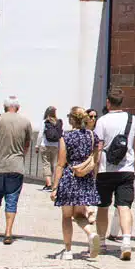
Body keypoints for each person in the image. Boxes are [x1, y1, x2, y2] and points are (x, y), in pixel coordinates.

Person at [93, 88, 135, 260]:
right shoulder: (132, 119)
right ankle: (126, 242)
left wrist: (94, 169)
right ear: (122, 102)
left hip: (106, 170)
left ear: (108, 102)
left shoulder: (102, 121)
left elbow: (98, 147)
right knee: (124, 206)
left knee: (102, 207)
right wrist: (134, 164)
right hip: (126, 170)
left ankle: (101, 242)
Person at [0, 95, 33, 245]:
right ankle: (9, 232)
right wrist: (20, 155)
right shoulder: (25, 122)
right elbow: (27, 143)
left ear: (4, 107)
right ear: (18, 107)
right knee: (12, 199)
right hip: (16, 166)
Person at [50, 106, 100, 259]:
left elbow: (60, 163)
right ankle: (91, 233)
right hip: (85, 178)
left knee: (66, 216)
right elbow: (95, 161)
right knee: (79, 214)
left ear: (72, 119)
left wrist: (54, 187)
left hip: (69, 177)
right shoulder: (92, 136)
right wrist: (93, 180)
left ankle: (68, 250)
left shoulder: (66, 137)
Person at [40, 107, 62, 190]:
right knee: (53, 164)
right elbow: (61, 133)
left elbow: (40, 135)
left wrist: (37, 146)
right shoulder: (58, 122)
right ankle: (51, 183)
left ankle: (48, 184)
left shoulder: (45, 121)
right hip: (55, 145)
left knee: (46, 164)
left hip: (45, 145)